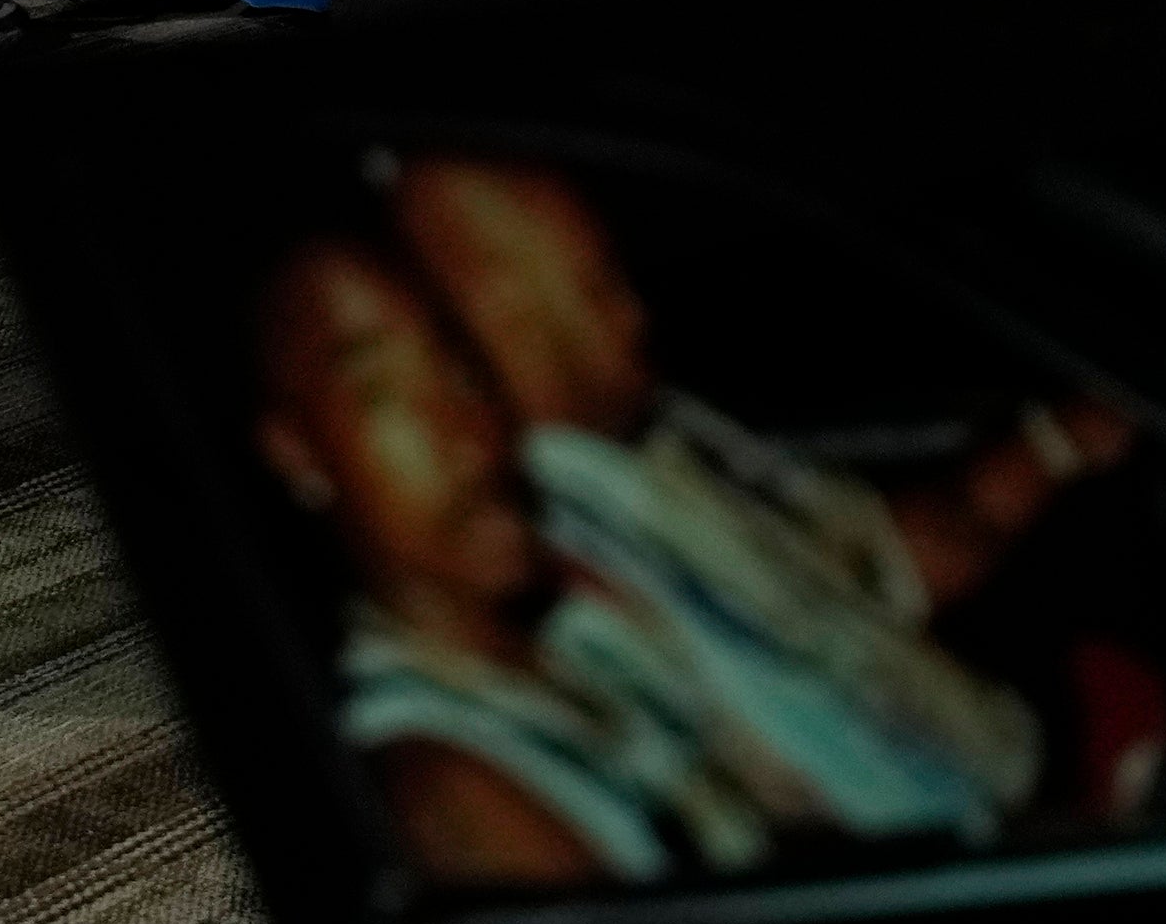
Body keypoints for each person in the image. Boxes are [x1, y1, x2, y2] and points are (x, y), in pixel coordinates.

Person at [387, 154, 1082, 846]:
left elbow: (880, 561)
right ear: (500, 308)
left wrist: (1063, 442)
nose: (634, 316)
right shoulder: (569, 569)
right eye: (598, 288)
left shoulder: (651, 442)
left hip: (1032, 762)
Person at [255, 231, 771, 887]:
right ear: (298, 452)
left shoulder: (581, 628)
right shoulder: (447, 792)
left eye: (461, 368)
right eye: (384, 392)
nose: (467, 430)